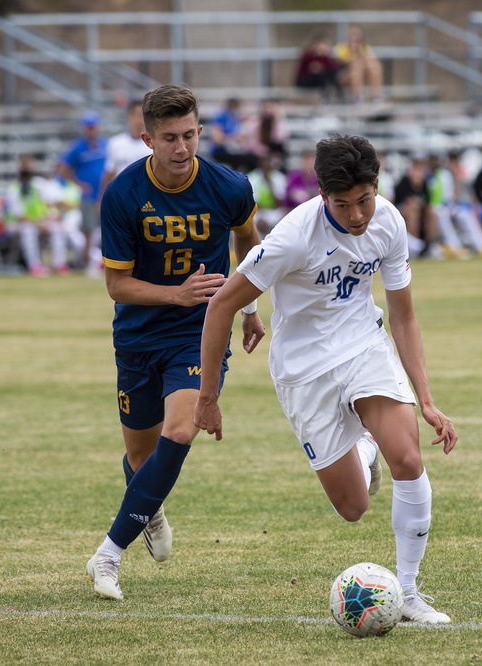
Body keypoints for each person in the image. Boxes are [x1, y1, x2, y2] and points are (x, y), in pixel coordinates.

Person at [194, 134, 458, 624]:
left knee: (407, 455)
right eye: (344, 205)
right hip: (303, 368)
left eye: (365, 200)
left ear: (376, 187)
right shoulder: (295, 236)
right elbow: (220, 305)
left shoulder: (389, 222)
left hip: (362, 344)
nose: (358, 215)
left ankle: (409, 593)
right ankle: (363, 448)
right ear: (321, 196)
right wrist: (208, 396)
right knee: (353, 507)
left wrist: (426, 399)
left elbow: (403, 316)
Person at [85, 84, 262, 601]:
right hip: (138, 335)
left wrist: (248, 308)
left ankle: (107, 556)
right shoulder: (121, 196)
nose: (182, 149)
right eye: (169, 139)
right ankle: (150, 504)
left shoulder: (230, 186)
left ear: (200, 131)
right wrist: (176, 294)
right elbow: (117, 286)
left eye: (189, 135)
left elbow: (250, 243)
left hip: (199, 330)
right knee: (142, 460)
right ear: (147, 139)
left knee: (181, 430)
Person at [57, 112, 108, 277]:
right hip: (89, 197)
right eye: (88, 127)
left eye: (93, 126)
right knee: (89, 232)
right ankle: (88, 265)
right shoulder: (78, 148)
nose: (91, 130)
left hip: (105, 195)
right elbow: (64, 168)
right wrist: (78, 184)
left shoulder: (105, 145)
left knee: (108, 231)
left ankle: (108, 264)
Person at [5, 155, 69, 276]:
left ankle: (59, 264)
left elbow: (48, 204)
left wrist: (51, 218)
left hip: (38, 222)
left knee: (57, 228)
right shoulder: (14, 189)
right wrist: (39, 223)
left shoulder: (38, 184)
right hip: (18, 225)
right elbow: (19, 216)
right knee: (28, 231)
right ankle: (35, 265)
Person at [393, 156, 442, 259]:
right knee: (412, 212)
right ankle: (414, 247)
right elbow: (401, 200)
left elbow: (427, 200)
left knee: (432, 212)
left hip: (420, 210)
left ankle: (431, 244)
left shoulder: (423, 183)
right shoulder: (404, 182)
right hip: (403, 211)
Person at [207, 98, 260, 174]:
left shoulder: (235, 117)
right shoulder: (220, 117)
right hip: (221, 152)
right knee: (249, 160)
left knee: (254, 158)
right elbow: (217, 139)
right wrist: (233, 138)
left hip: (234, 151)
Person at [333, 26, 384, 104]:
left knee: (374, 66)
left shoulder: (365, 48)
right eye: (353, 35)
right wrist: (354, 52)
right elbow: (343, 64)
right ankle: (357, 97)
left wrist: (361, 53)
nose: (355, 38)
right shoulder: (341, 48)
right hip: (343, 76)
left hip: (362, 74)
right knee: (356, 68)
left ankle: (377, 96)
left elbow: (371, 63)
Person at [246, 153, 289, 238]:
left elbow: (280, 203)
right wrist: (262, 216)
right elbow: (254, 203)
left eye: (269, 162)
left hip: (274, 211)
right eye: (264, 162)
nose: (267, 165)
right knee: (260, 222)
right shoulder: (252, 177)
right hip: (258, 212)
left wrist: (270, 184)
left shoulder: (279, 177)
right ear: (260, 163)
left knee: (287, 217)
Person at [294, 33, 343, 102]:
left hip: (319, 80)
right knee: (322, 75)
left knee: (330, 74)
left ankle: (339, 96)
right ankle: (327, 99)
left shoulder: (326, 57)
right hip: (304, 80)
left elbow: (333, 68)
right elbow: (312, 68)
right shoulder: (308, 55)